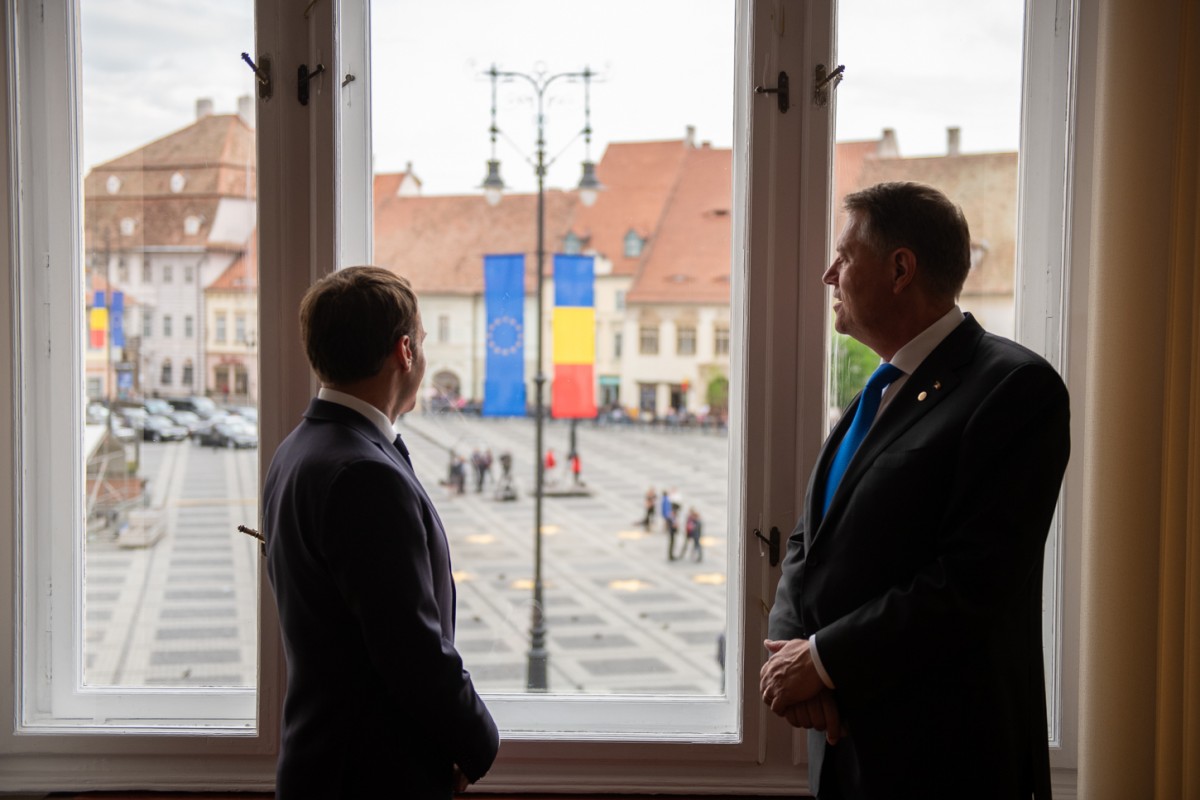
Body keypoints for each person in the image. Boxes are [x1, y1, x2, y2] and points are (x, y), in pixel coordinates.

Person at [760, 183, 1069, 799]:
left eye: (844, 257)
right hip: (847, 749)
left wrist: (820, 661)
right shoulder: (879, 389)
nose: (828, 275)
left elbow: (972, 583)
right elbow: (808, 539)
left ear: (901, 268)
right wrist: (789, 651)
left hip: (945, 761)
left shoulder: (1015, 390)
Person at [262, 266, 499, 799]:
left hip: (326, 764)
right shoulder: (361, 473)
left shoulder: (300, 448)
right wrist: (477, 739)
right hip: (369, 777)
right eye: (423, 341)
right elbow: (408, 644)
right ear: (405, 352)